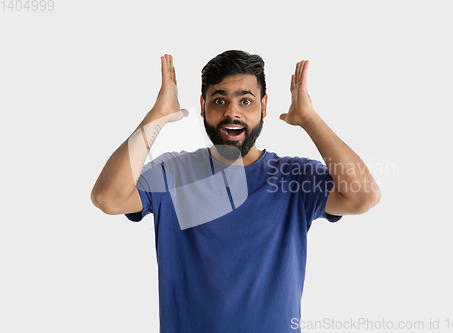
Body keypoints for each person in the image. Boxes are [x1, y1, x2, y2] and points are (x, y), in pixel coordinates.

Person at [91, 50, 381, 332]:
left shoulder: (295, 177)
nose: (232, 112)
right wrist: (158, 116)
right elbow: (108, 198)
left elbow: (364, 196)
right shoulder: (173, 174)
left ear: (264, 107)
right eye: (219, 100)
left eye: (246, 101)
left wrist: (309, 119)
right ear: (202, 106)